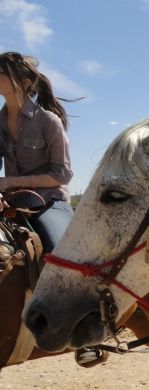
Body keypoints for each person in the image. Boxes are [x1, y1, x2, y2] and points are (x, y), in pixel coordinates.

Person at [0, 51, 73, 254]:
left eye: (2, 72)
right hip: (11, 202)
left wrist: (11, 182)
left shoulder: (49, 121)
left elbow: (63, 175)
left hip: (50, 202)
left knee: (57, 251)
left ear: (24, 83)